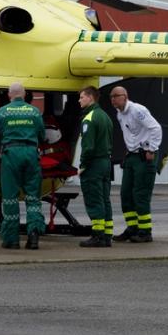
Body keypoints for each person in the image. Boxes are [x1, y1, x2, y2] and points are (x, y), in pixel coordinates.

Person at [0, 82, 46, 250]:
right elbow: (42, 135)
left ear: (9, 95)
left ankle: (11, 240)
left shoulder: (1, 112)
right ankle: (33, 235)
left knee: (10, 198)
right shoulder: (34, 111)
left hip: (10, 155)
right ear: (25, 94)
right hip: (31, 154)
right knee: (33, 197)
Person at [110, 87, 163, 243]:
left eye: (116, 96)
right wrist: (128, 149)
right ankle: (132, 228)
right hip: (132, 155)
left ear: (125, 97)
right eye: (111, 97)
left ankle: (145, 231)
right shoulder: (120, 114)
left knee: (140, 194)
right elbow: (130, 134)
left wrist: (151, 149)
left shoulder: (137, 110)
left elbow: (156, 128)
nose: (113, 99)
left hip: (145, 155)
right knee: (126, 194)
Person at [76, 86, 115, 247]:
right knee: (105, 199)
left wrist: (83, 165)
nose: (79, 100)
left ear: (90, 98)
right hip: (106, 162)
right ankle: (107, 235)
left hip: (94, 165)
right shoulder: (105, 116)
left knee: (94, 199)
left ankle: (97, 235)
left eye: (81, 97)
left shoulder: (89, 119)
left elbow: (88, 147)